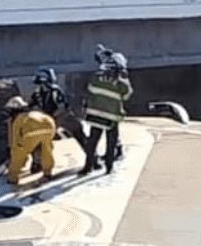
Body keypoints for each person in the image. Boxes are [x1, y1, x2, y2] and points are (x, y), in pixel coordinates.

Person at [81, 45, 133, 176]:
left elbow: (90, 89)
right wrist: (125, 78)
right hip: (112, 119)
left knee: (92, 142)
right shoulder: (121, 83)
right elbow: (127, 95)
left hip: (95, 116)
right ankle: (109, 167)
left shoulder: (96, 78)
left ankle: (88, 166)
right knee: (111, 143)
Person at [31, 67, 87, 156]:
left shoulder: (54, 91)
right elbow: (32, 105)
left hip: (59, 116)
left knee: (77, 130)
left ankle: (91, 157)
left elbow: (62, 107)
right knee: (38, 137)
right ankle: (37, 161)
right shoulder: (38, 93)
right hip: (50, 119)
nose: (42, 86)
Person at [5, 96, 57, 185]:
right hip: (49, 126)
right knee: (46, 150)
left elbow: (15, 142)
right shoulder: (35, 113)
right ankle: (47, 172)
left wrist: (12, 156)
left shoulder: (17, 120)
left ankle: (13, 178)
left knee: (19, 152)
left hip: (30, 133)